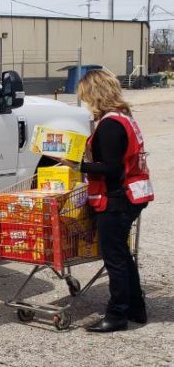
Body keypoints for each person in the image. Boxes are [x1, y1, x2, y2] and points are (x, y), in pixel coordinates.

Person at [74, 69, 153, 333]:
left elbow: (111, 169)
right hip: (131, 194)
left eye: (85, 96)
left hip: (116, 198)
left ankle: (117, 313)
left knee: (115, 258)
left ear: (95, 94)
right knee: (122, 255)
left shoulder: (109, 125)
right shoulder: (123, 118)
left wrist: (80, 166)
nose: (84, 101)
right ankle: (135, 307)